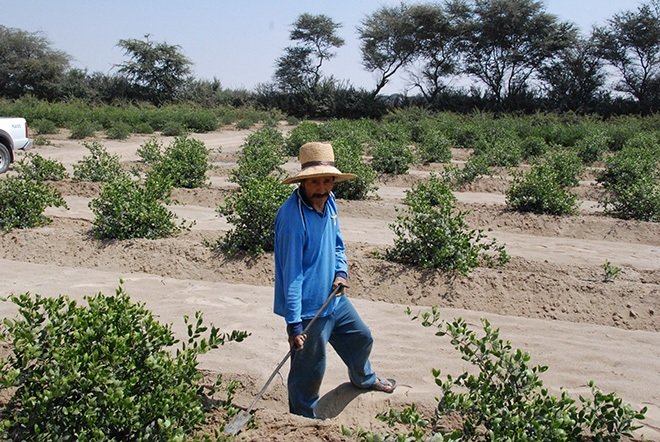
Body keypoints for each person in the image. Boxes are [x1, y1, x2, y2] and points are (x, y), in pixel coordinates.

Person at [273, 141, 396, 419]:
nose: (322, 188)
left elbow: (338, 243)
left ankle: (364, 378)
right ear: (304, 182)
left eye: (327, 181)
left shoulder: (330, 203)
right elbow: (290, 274)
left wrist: (341, 272)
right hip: (308, 311)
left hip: (333, 298)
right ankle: (302, 418)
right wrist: (294, 324)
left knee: (361, 337)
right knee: (310, 370)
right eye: (315, 182)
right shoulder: (292, 219)